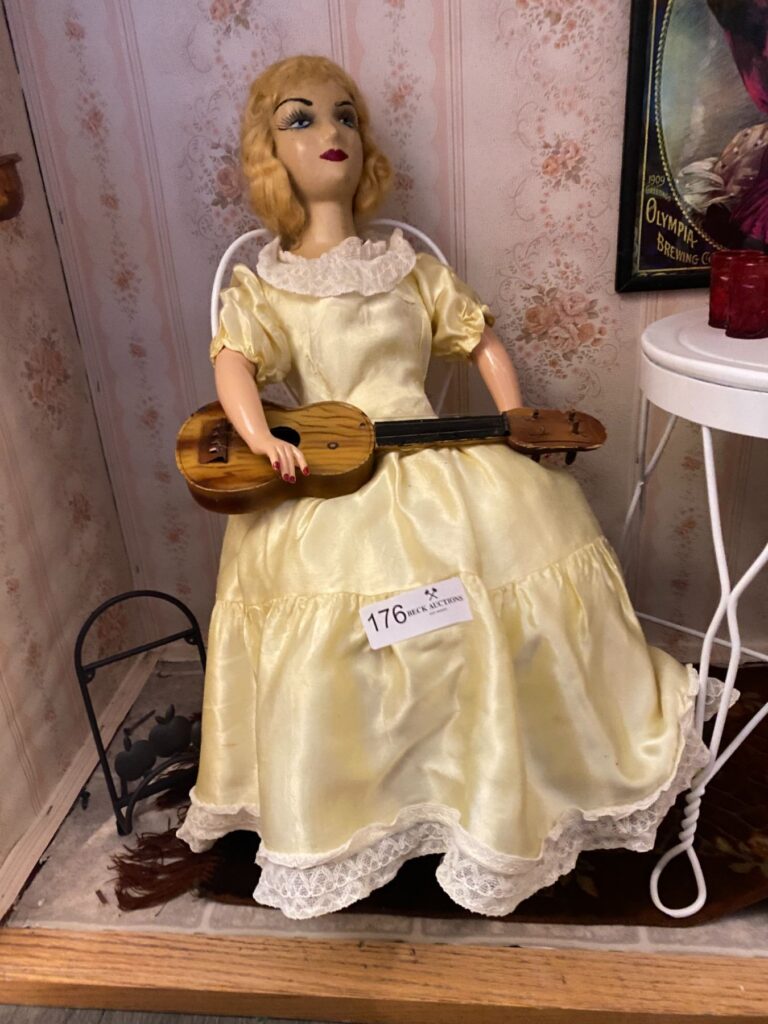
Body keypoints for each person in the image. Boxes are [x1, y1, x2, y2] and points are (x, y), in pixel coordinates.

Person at [176, 55, 710, 919]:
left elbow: (479, 341)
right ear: (270, 151)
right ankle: (369, 802)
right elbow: (234, 362)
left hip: (434, 451)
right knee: (350, 620)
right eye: (301, 119)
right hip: (330, 468)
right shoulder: (264, 282)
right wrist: (263, 436)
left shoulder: (407, 265)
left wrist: (514, 415)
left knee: (518, 556)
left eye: (345, 116)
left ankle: (494, 787)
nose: (331, 133)